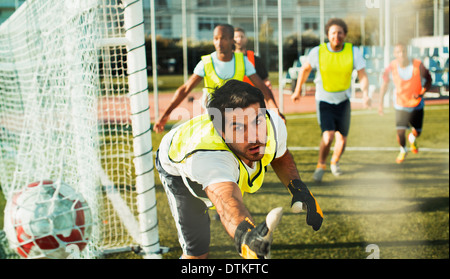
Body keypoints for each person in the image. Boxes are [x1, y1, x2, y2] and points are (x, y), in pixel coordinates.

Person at [155, 80, 323, 259]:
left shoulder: (272, 123)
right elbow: (226, 200)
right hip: (176, 166)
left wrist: (298, 188)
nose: (254, 136)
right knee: (196, 253)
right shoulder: (208, 157)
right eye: (238, 127)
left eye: (256, 121)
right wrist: (245, 236)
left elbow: (279, 154)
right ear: (222, 133)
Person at [153, 24, 281, 133]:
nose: (219, 42)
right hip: (212, 118)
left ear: (232, 41)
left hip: (237, 118)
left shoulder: (243, 61)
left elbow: (263, 88)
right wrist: (165, 115)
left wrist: (276, 112)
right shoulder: (206, 62)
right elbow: (184, 90)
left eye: (223, 38)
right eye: (216, 38)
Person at [290, 18, 370, 182]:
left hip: (344, 101)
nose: (337, 36)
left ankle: (335, 162)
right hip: (324, 100)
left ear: (345, 35)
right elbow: (305, 70)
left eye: (340, 33)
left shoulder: (353, 52)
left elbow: (362, 75)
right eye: (333, 33)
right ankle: (321, 165)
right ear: (328, 35)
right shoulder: (317, 52)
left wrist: (366, 93)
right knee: (328, 136)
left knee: (343, 139)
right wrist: (298, 90)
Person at [378, 42, 432, 164]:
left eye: (403, 51)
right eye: (398, 52)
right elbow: (385, 85)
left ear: (407, 52)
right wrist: (380, 103)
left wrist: (422, 92)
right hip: (400, 104)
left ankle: (412, 138)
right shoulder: (391, 67)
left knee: (417, 131)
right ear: (394, 54)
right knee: (400, 131)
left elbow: (429, 80)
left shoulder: (418, 65)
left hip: (416, 104)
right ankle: (403, 149)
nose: (401, 54)